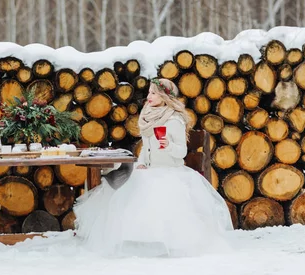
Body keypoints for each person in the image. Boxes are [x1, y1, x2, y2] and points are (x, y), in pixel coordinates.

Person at [73, 78, 234, 258]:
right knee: (130, 186)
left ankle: (170, 241)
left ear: (165, 96)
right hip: (151, 168)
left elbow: (181, 152)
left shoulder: (174, 120)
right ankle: (139, 240)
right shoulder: (148, 116)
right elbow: (146, 147)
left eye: (154, 93)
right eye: (149, 92)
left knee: (158, 191)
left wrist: (169, 146)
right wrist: (141, 162)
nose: (149, 96)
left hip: (170, 170)